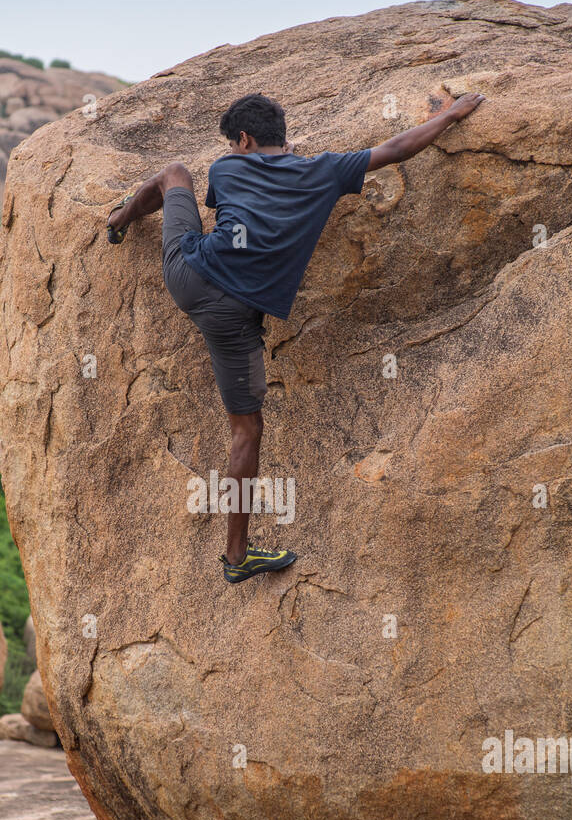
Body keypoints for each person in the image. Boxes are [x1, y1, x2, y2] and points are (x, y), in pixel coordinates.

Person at [106, 89, 484, 584]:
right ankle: (236, 558)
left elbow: (228, 213)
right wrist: (451, 115)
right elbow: (397, 148)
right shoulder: (323, 170)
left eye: (234, 142)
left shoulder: (225, 169)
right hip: (236, 315)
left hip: (189, 274)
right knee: (246, 431)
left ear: (243, 139)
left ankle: (118, 218)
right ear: (282, 136)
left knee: (175, 172)